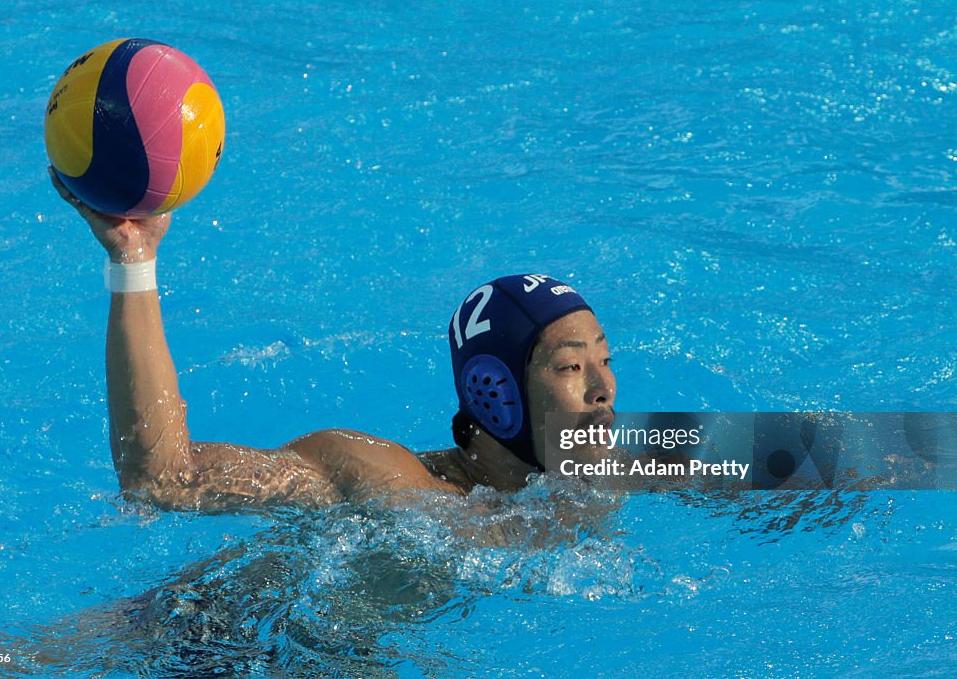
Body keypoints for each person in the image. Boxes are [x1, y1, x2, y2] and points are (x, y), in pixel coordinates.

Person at [50, 170, 616, 510]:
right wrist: (134, 260)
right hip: (204, 639)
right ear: (496, 393)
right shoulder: (379, 478)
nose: (603, 389)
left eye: (605, 359)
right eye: (570, 367)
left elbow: (704, 458)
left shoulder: (614, 469)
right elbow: (162, 480)